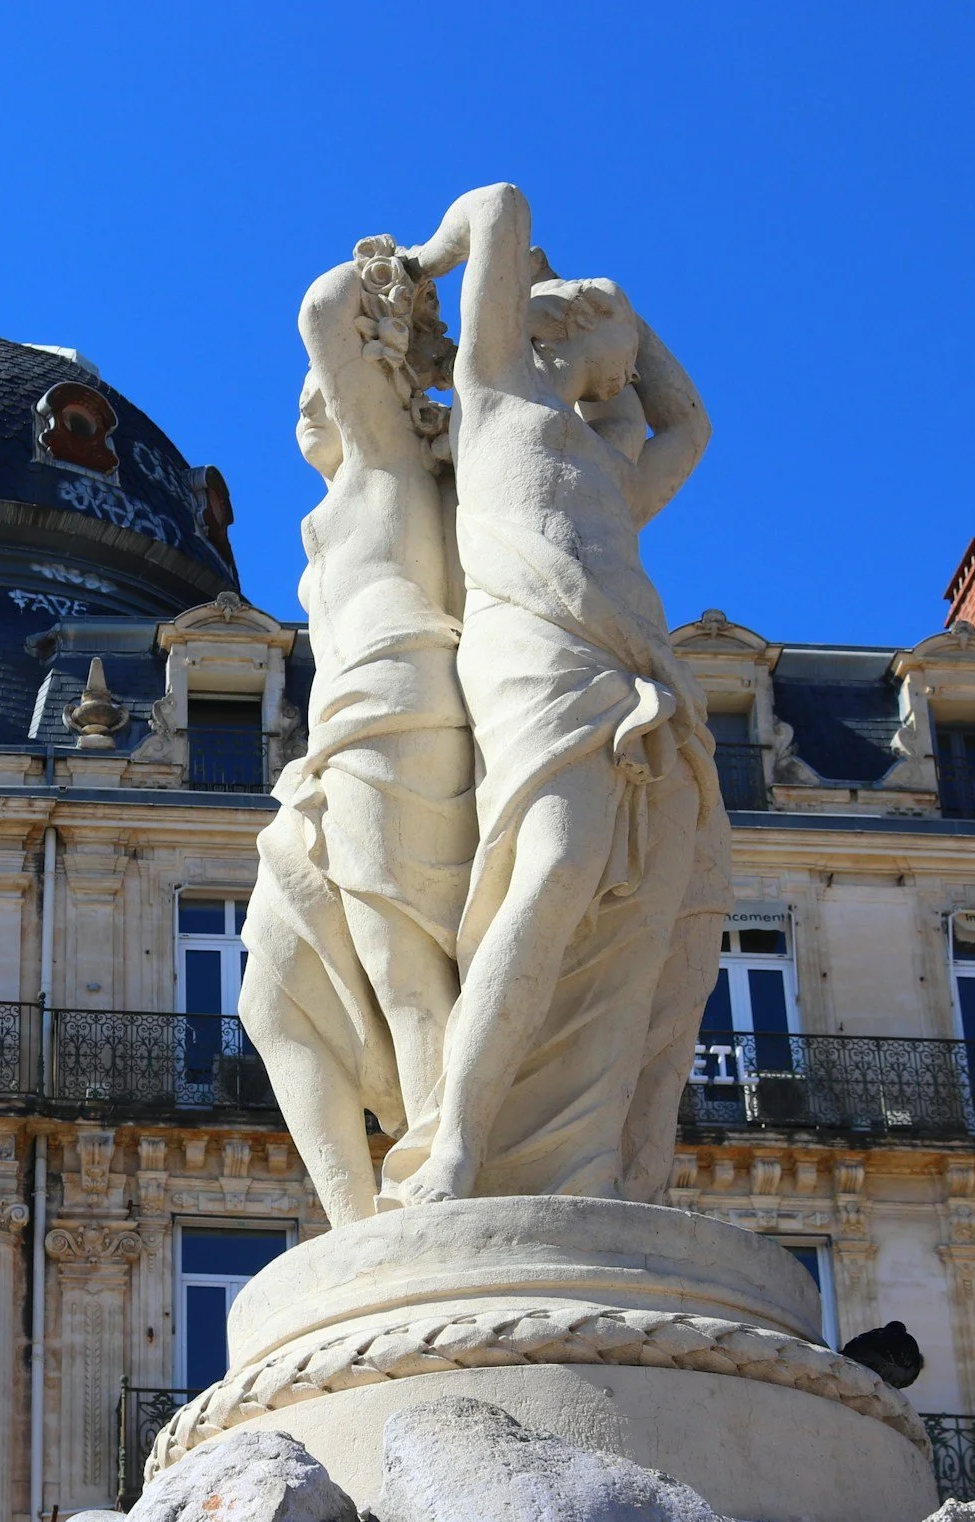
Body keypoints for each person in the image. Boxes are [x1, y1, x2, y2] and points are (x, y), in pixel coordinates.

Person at [391, 182, 730, 1204]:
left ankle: (611, 1163)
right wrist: (421, 264)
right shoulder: (493, 386)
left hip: (639, 675)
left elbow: (692, 421)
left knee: (653, 923)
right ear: (580, 325)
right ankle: (455, 1141)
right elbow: (496, 204)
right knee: (549, 873)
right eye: (623, 335)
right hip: (537, 654)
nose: (636, 371)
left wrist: (620, 313)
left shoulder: (609, 464)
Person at [237, 234, 478, 1225]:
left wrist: (414, 268)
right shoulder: (356, 487)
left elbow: (322, 306)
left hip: (398, 708)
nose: (308, 395)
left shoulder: (389, 467)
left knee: (401, 961)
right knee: (273, 991)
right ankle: (356, 1226)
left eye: (323, 382)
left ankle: (434, 1176)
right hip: (336, 741)